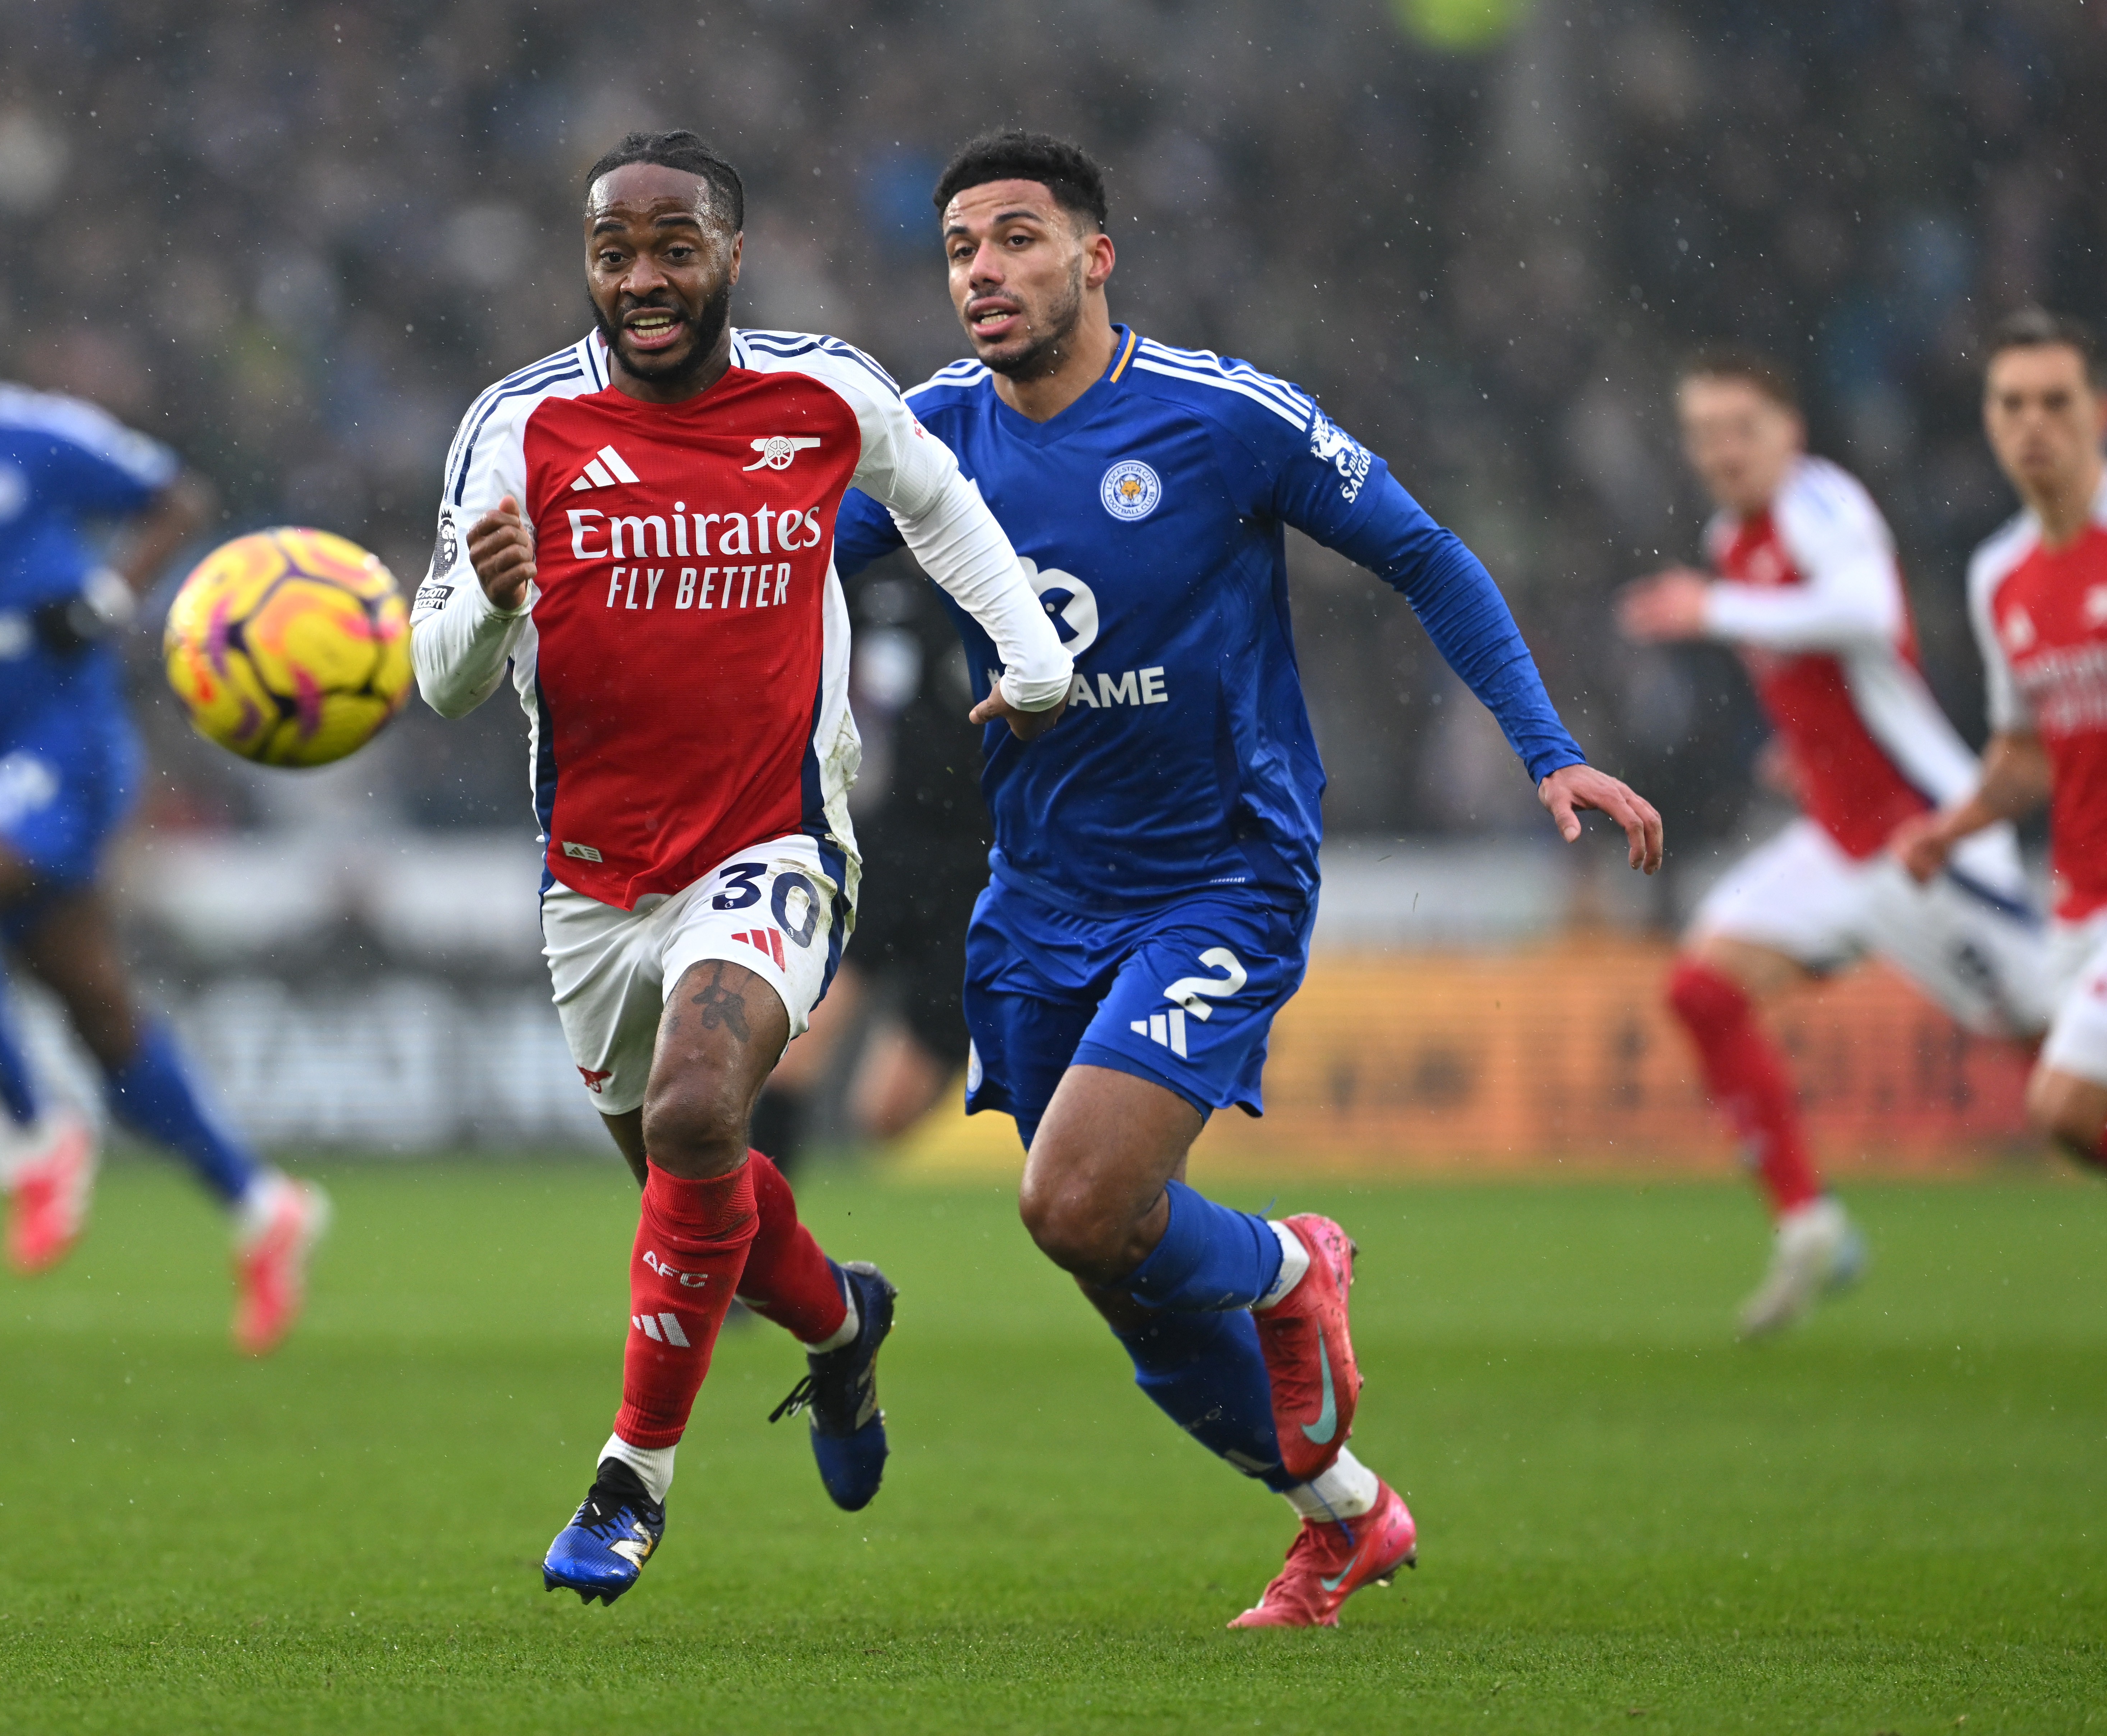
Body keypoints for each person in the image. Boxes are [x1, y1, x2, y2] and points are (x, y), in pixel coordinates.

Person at [836, 130, 1661, 1630]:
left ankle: (1290, 1262)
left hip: (1218, 874)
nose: (983, 274)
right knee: (1105, 1253)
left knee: (1078, 1197)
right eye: (959, 249)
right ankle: (1342, 1512)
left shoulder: (1220, 419)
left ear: (1095, 257)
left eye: (1017, 239)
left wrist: (1548, 749)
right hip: (1033, 892)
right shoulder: (925, 439)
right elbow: (770, 563)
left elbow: (1422, 554)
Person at [410, 131, 1071, 1605]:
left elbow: (942, 504)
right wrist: (480, 608)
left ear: (730, 252)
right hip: (592, 882)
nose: (641, 279)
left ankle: (627, 1483)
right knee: (692, 1186)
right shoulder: (514, 428)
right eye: (612, 254)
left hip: (772, 842)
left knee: (712, 1109)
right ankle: (841, 1328)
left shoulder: (821, 390)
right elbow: (440, 674)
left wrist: (1030, 656)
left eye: (672, 247)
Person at [0, 268, 329, 1354]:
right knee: (106, 1019)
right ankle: (261, 1205)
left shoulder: (37, 438)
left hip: (65, 751)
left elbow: (178, 495)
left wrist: (113, 595)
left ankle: (35, 1134)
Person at [1618, 349, 2052, 1335]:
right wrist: (1803, 754)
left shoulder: (1821, 506)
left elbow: (1867, 615)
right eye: (1704, 434)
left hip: (1924, 837)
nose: (1722, 452)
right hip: (1838, 841)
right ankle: (1809, 1223)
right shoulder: (1732, 535)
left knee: (2069, 1069)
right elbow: (1826, 675)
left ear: (1790, 433)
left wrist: (1711, 609)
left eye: (1743, 429)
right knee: (1700, 989)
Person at [1894, 309, 2107, 1256]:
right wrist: (1949, 830)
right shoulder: (1998, 572)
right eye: (2012, 405)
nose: (2032, 423)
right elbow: (2026, 752)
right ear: (1990, 421)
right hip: (2078, 902)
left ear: (2103, 413)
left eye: (2055, 402)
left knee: (2066, 1108)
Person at [748, 561, 992, 1170]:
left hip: (981, 869)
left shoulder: (1006, 578)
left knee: (880, 1116)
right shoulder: (872, 577)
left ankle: (1008, 1042)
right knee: (789, 1058)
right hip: (889, 847)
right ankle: (757, 1240)